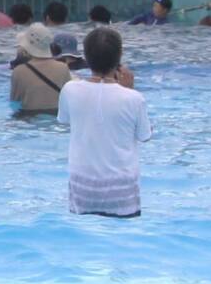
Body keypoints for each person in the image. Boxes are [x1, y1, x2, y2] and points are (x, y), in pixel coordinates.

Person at [58, 27, 151, 218]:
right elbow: (145, 136)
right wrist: (129, 90)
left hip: (82, 191)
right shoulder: (134, 98)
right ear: (120, 57)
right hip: (122, 193)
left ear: (85, 56)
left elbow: (64, 120)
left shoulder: (69, 90)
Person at [9, 24, 70, 115]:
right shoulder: (63, 68)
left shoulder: (18, 71)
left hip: (28, 116)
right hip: (56, 114)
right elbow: (68, 97)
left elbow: (14, 101)